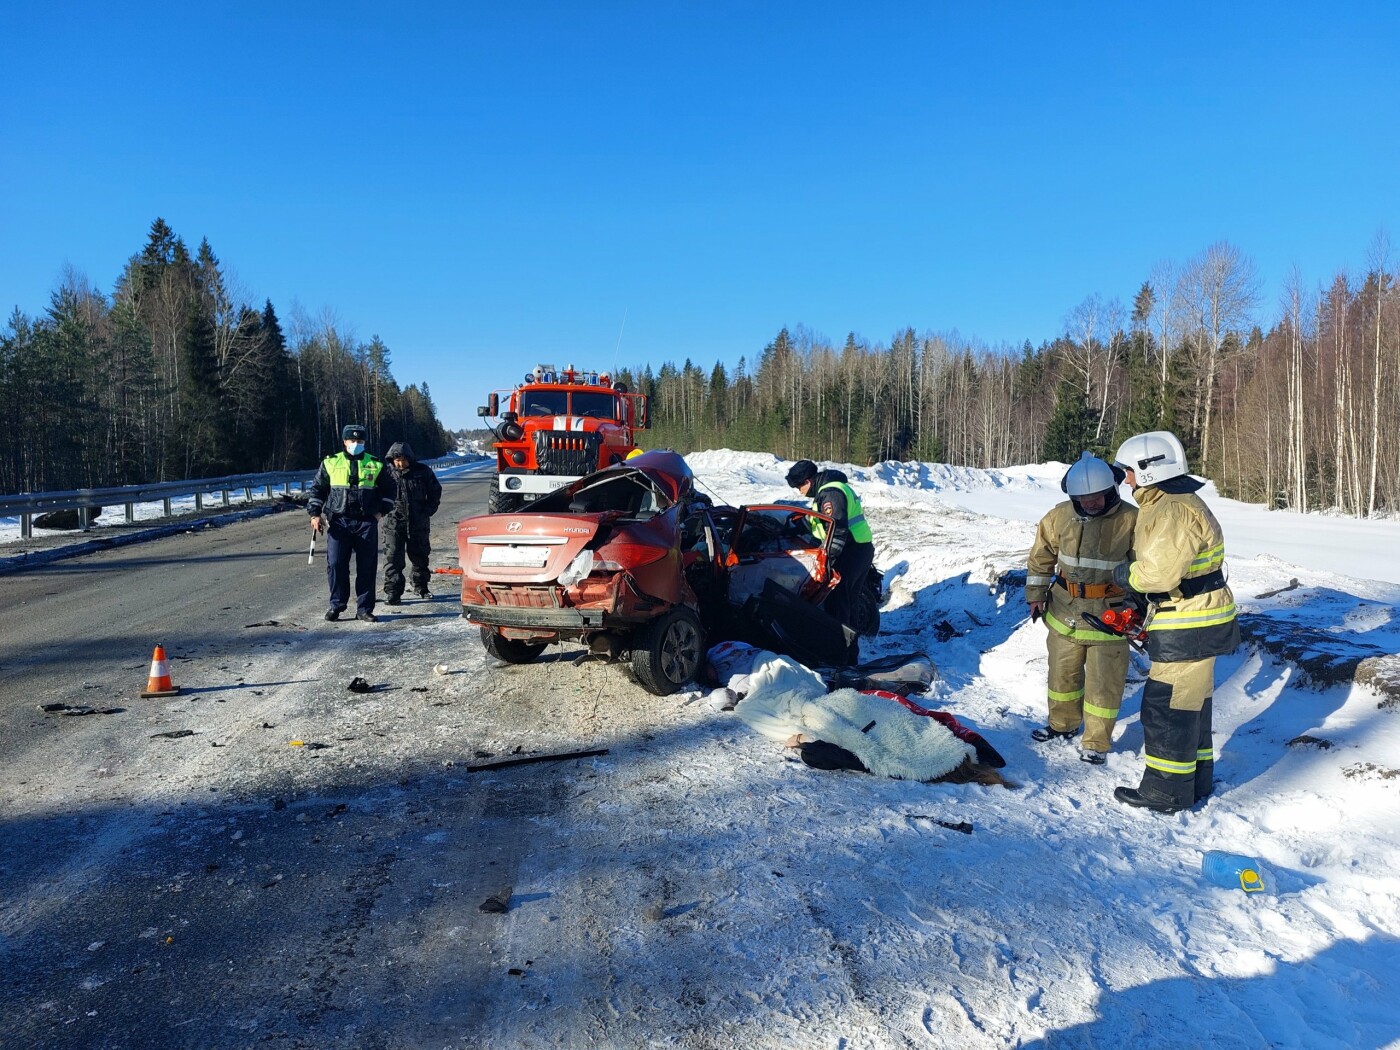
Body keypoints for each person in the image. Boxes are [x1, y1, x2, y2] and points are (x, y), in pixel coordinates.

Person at [1110, 431, 1240, 813]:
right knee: (1190, 707)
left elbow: (1159, 575)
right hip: (1196, 617)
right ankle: (1194, 784)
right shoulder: (1169, 503)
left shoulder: (1173, 511)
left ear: (1149, 471)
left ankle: (1165, 794)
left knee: (1166, 708)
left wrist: (1126, 576)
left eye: (1129, 471)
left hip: (1189, 622)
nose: (1125, 478)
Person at [1025, 452, 1138, 765]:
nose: (1090, 504)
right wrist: (1035, 593)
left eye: (1096, 498)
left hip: (1109, 615)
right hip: (1064, 610)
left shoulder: (1131, 519)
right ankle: (1062, 725)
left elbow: (1145, 567)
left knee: (1104, 685)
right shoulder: (1059, 516)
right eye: (1083, 499)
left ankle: (1096, 742)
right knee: (1062, 677)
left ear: (1110, 492)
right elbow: (1041, 556)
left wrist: (1138, 607)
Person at [785, 459, 875, 663]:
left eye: (799, 486)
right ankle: (849, 653)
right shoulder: (826, 492)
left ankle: (843, 657)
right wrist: (789, 527)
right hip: (858, 549)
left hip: (850, 552)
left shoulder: (831, 493)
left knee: (839, 602)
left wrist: (827, 559)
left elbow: (838, 529)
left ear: (808, 481)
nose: (799, 491)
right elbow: (815, 523)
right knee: (847, 601)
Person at [308, 424, 396, 623]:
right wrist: (315, 514)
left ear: (364, 442)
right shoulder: (330, 463)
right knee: (336, 564)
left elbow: (391, 490)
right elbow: (317, 490)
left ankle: (364, 609)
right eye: (352, 440)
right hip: (339, 522)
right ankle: (336, 605)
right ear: (344, 442)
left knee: (367, 567)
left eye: (360, 441)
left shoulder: (376, 464)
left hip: (366, 523)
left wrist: (380, 513)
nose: (355, 444)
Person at [381, 441, 442, 605]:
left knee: (420, 557)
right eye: (396, 460)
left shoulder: (422, 472)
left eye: (402, 459)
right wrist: (382, 511)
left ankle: (421, 587)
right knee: (393, 559)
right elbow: (376, 493)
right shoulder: (386, 473)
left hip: (418, 522)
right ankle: (393, 592)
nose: (399, 463)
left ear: (409, 458)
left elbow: (435, 491)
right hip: (393, 523)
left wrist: (428, 510)